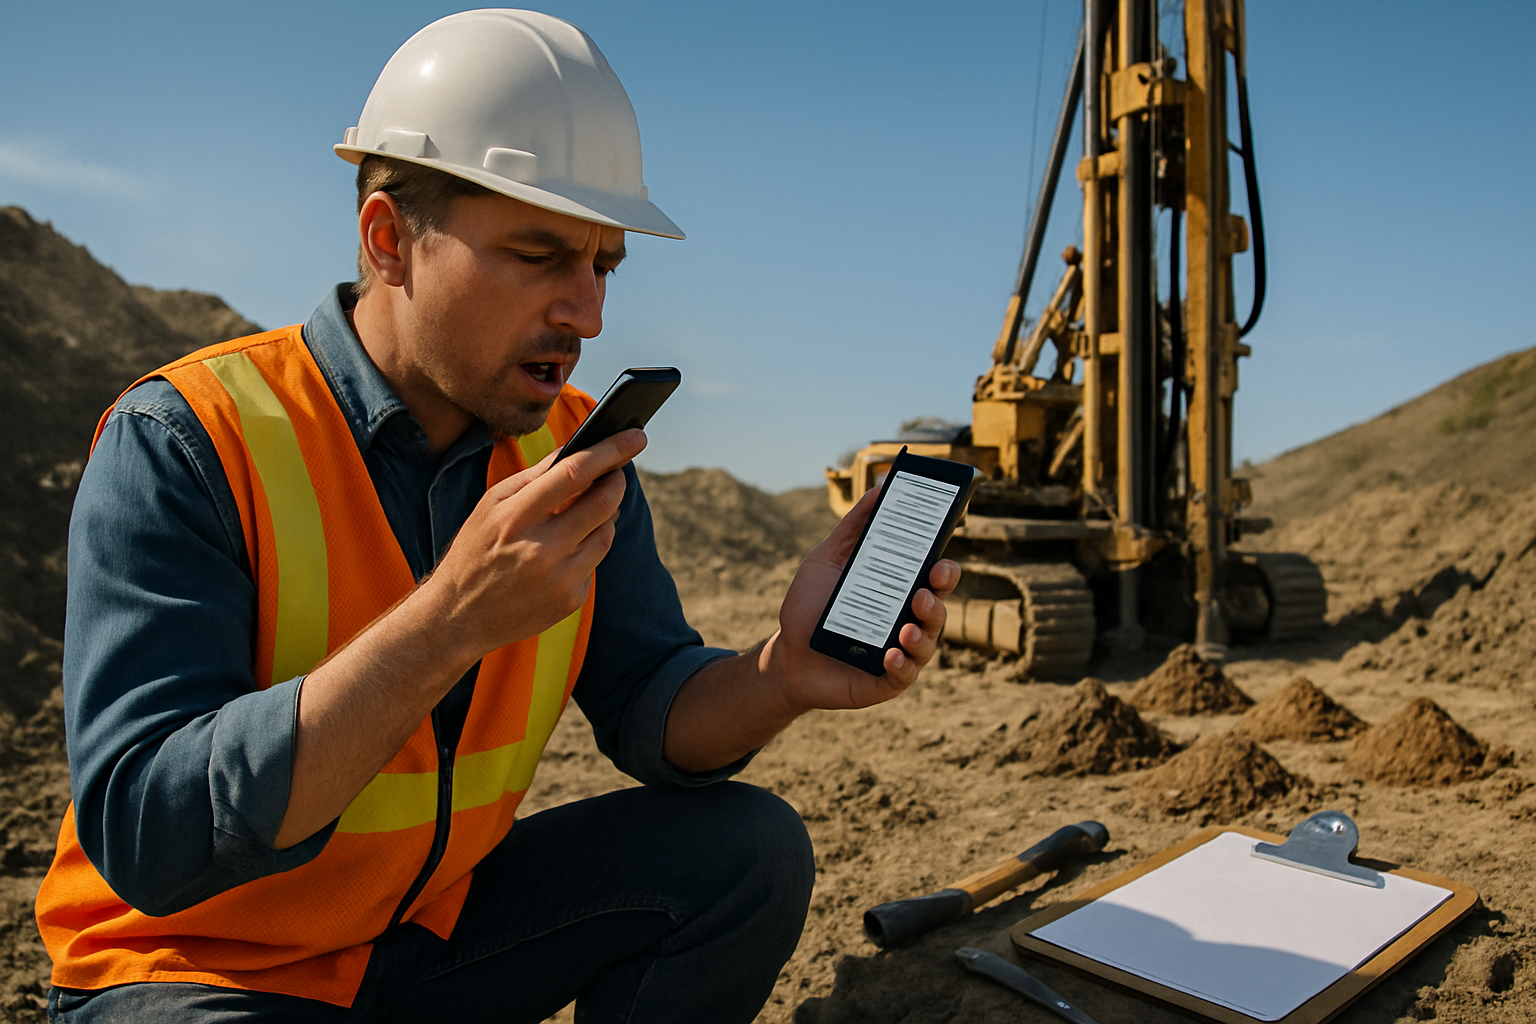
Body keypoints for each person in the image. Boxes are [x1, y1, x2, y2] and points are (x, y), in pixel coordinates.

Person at [35, 10, 958, 1023]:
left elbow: (650, 704)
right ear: (390, 241)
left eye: (604, 264)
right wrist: (451, 624)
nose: (588, 312)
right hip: (199, 970)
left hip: (423, 939)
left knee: (745, 852)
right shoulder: (188, 440)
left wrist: (783, 673)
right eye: (538, 253)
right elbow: (148, 838)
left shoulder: (569, 449)